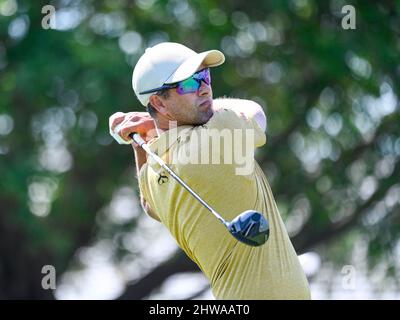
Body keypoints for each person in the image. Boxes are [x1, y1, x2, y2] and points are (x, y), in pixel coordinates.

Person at [109, 42, 311, 299]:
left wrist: (139, 140)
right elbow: (256, 113)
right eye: (190, 83)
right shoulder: (212, 137)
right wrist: (147, 126)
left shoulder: (154, 172)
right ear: (159, 102)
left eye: (205, 76)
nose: (205, 89)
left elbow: (149, 205)